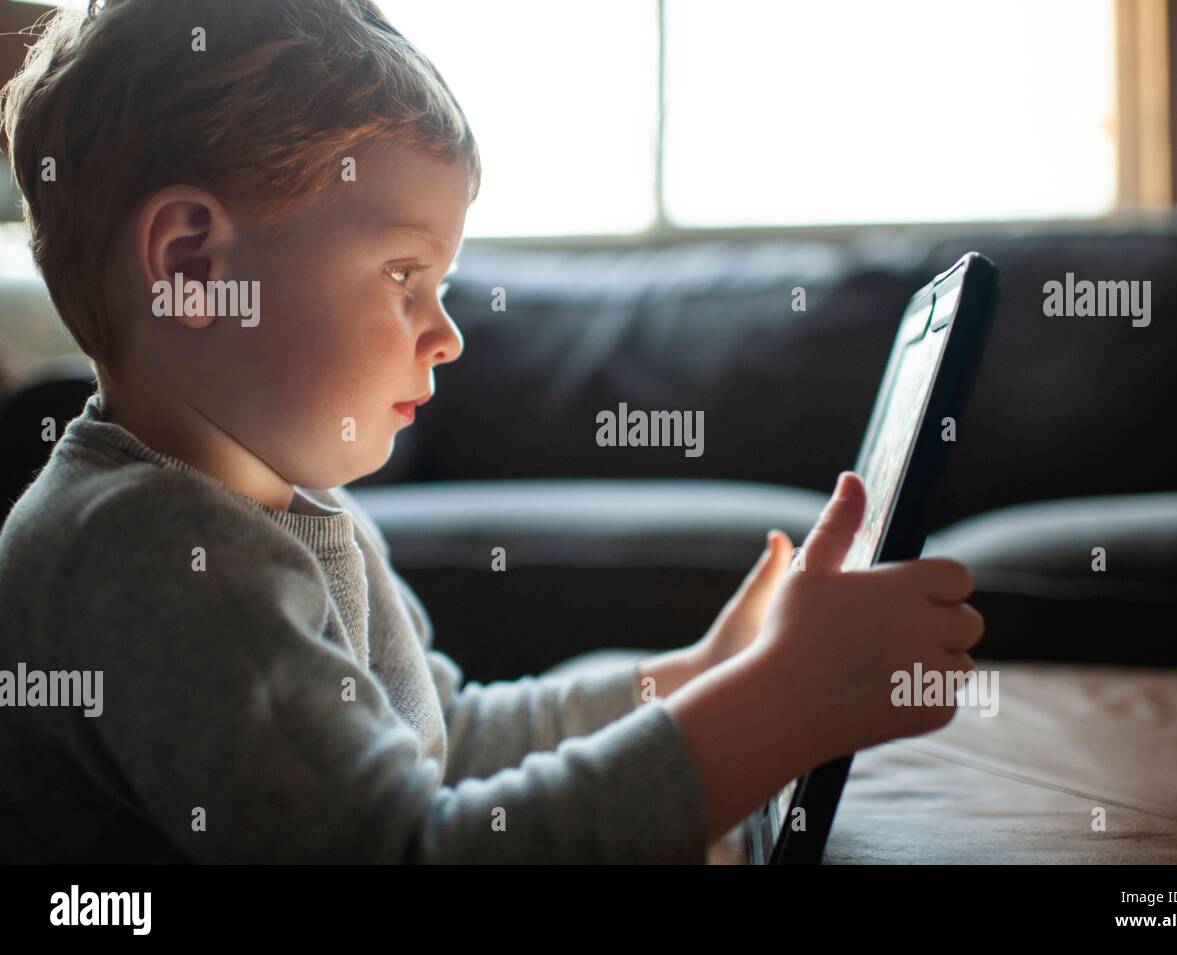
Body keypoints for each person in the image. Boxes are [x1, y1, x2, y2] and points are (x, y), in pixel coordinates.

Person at [0, 0, 982, 863]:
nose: (447, 334)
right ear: (192, 262)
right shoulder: (150, 551)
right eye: (402, 275)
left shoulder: (280, 509)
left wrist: (700, 678)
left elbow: (451, 739)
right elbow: (410, 850)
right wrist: (773, 710)